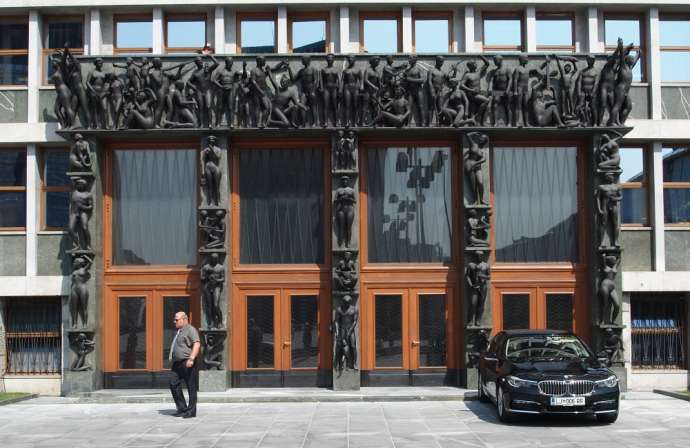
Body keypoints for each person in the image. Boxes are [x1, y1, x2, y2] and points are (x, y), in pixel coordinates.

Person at [169, 311, 200, 418]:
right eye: (174, 319)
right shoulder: (179, 331)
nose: (174, 322)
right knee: (173, 383)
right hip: (177, 363)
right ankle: (182, 408)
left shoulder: (190, 329)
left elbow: (197, 343)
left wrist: (191, 358)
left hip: (187, 362)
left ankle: (191, 411)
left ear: (184, 319)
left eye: (176, 320)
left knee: (191, 387)